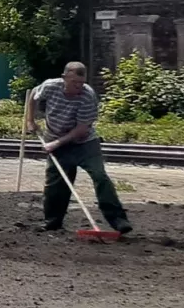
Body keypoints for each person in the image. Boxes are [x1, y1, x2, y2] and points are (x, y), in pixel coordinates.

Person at [26, 62, 133, 234]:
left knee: (100, 176)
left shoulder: (87, 95)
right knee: (55, 184)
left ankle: (118, 220)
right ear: (64, 78)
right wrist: (30, 121)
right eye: (74, 82)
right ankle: (52, 222)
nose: (78, 87)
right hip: (56, 140)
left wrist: (56, 143)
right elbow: (33, 95)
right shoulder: (50, 86)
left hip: (85, 144)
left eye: (81, 83)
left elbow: (81, 129)